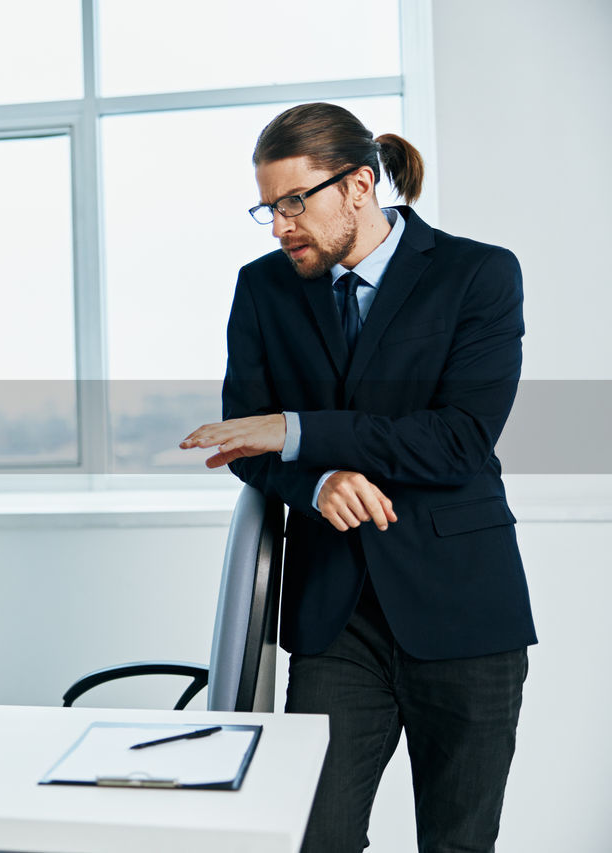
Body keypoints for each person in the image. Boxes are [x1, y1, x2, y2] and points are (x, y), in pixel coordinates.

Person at [180, 102, 535, 853]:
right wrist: (313, 481)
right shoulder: (263, 289)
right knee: (316, 838)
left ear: (359, 186)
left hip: (464, 608)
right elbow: (245, 440)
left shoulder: (477, 275)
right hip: (335, 617)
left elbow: (460, 440)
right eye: (268, 207)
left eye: (294, 202)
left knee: (458, 844)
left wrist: (298, 429)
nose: (279, 226)